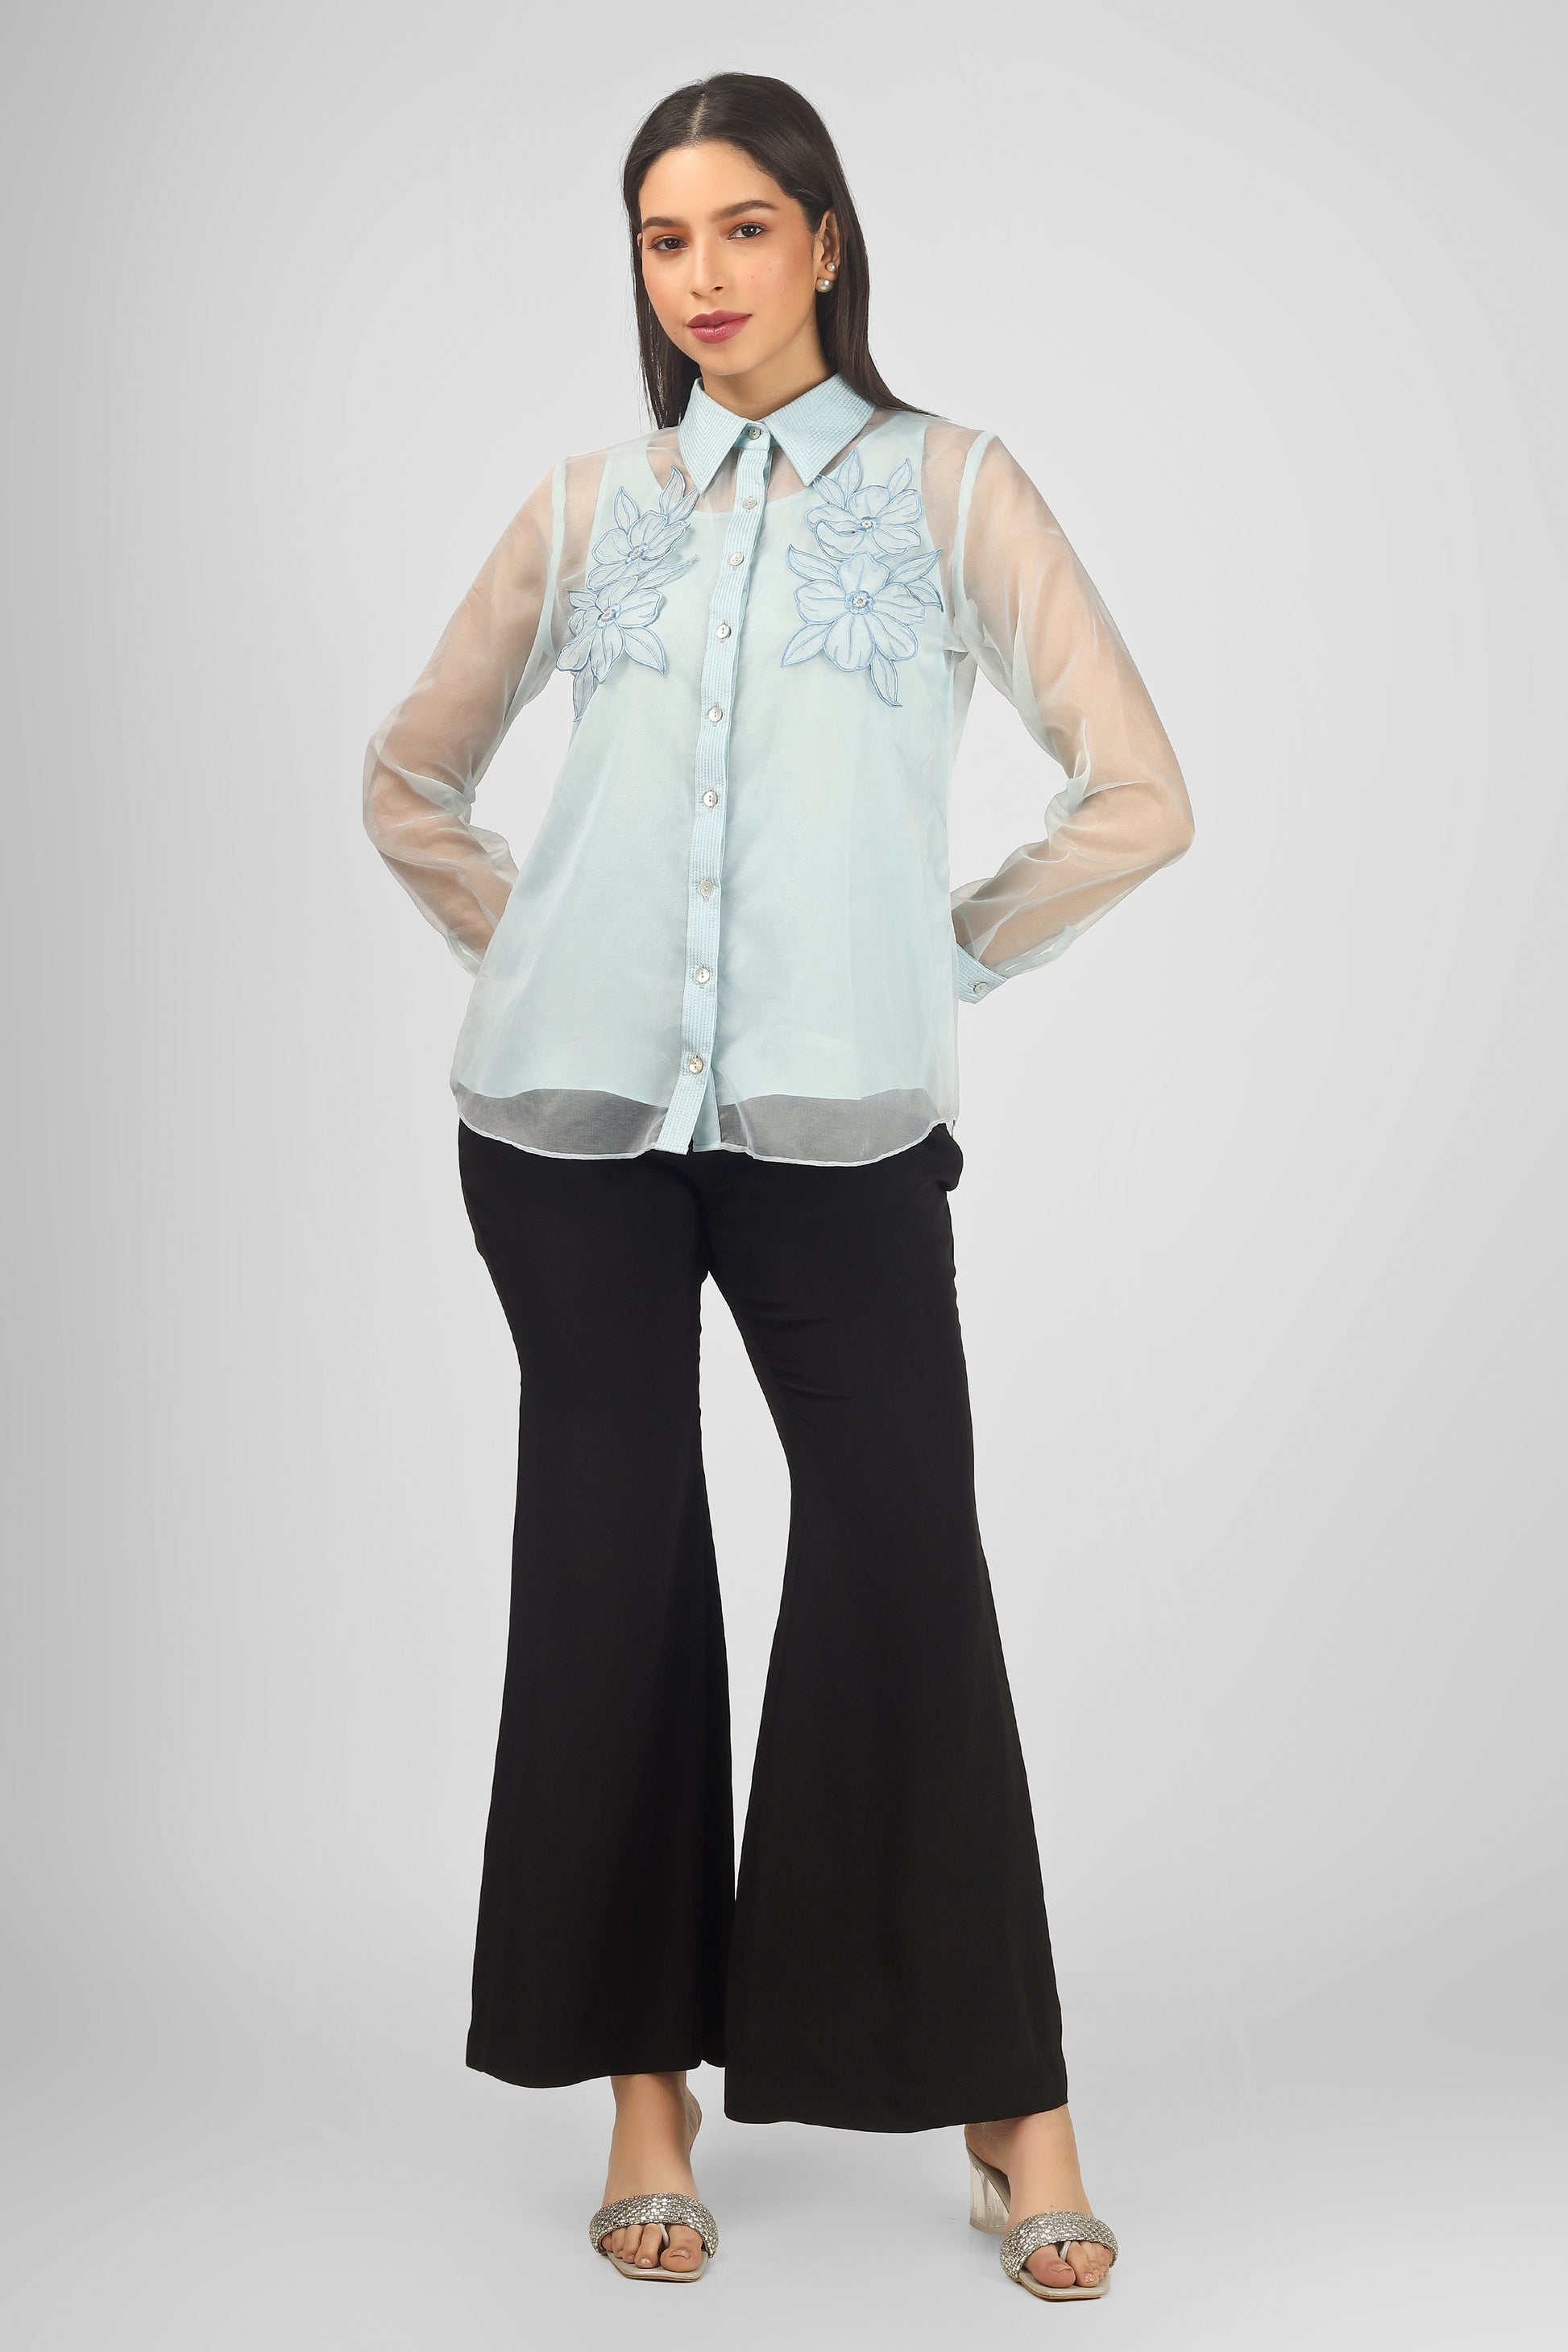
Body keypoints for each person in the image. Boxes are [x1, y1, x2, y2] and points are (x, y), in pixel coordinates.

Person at [362, 70, 1193, 2304]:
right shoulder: (587, 505)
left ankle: (1010, 2102)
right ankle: (647, 2098)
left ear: (826, 239)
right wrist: (543, 952)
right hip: (570, 1143)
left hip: (839, 1139)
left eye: (744, 227)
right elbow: (413, 774)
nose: (703, 276)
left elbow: (1136, 792)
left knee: (905, 1559)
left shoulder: (952, 488)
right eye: (664, 238)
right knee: (612, 1578)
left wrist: (933, 960)